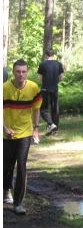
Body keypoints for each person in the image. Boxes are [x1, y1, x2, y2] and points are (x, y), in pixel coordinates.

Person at [4, 59, 42, 215]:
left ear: (27, 72)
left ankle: (18, 204)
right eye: (18, 71)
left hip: (25, 133)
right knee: (6, 166)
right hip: (6, 134)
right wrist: (4, 128)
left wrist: (36, 129)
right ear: (13, 72)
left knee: (21, 166)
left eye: (24, 71)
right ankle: (6, 190)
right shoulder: (4, 88)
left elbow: (36, 109)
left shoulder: (33, 88)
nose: (21, 75)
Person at [36, 53, 64, 134]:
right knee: (55, 109)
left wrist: (45, 83)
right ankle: (54, 130)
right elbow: (62, 77)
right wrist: (55, 83)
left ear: (45, 55)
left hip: (45, 89)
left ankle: (51, 124)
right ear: (53, 55)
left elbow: (40, 78)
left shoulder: (42, 64)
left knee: (43, 109)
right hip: (55, 89)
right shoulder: (58, 64)